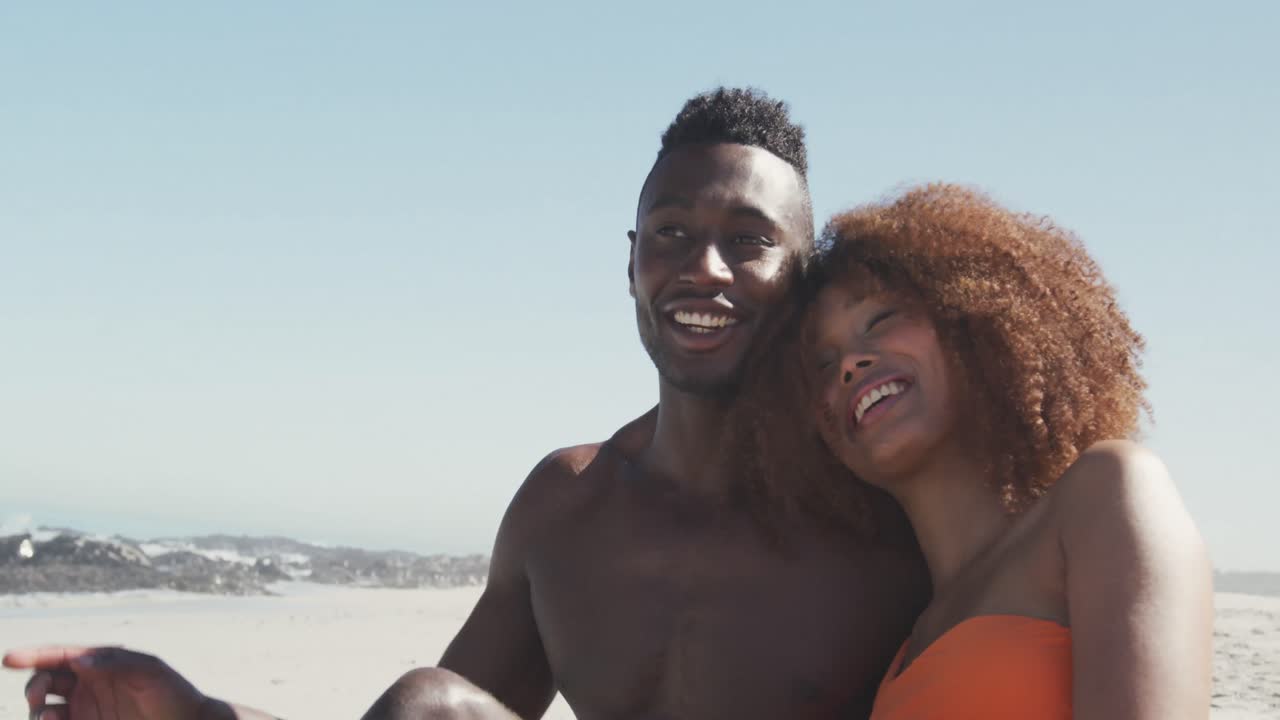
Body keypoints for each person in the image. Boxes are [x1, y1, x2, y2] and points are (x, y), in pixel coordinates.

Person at [6, 88, 929, 720]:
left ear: (802, 281)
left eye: (748, 241)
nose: (703, 268)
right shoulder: (569, 508)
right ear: (630, 262)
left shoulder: (875, 509)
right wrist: (202, 712)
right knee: (428, 700)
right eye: (673, 234)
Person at [794, 184, 1212, 718]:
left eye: (879, 320)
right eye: (823, 365)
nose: (852, 362)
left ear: (976, 321)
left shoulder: (1105, 493)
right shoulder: (904, 641)